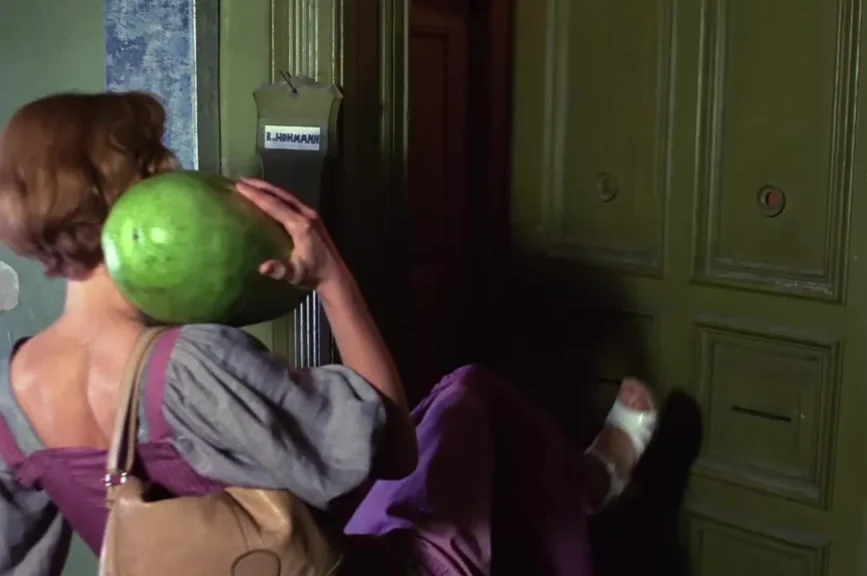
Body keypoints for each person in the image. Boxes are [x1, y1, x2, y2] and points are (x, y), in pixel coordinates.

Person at [0, 92, 659, 575]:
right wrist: (330, 275)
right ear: (149, 198)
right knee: (469, 395)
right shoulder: (189, 363)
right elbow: (392, 452)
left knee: (445, 421)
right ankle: (584, 487)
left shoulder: (15, 389)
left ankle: (576, 488)